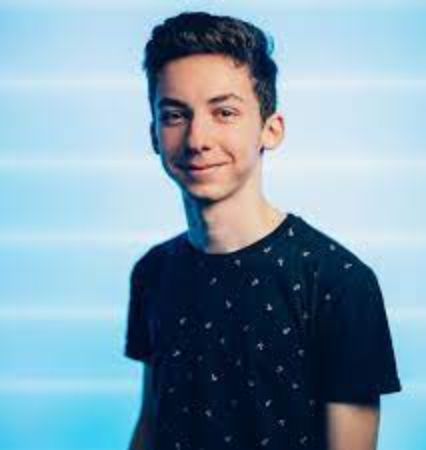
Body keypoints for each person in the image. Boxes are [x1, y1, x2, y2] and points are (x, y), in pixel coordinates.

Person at [124, 11, 402, 450]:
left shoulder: (339, 282)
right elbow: (151, 425)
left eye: (224, 112)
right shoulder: (153, 272)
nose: (197, 139)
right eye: (175, 115)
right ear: (154, 135)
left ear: (271, 130)